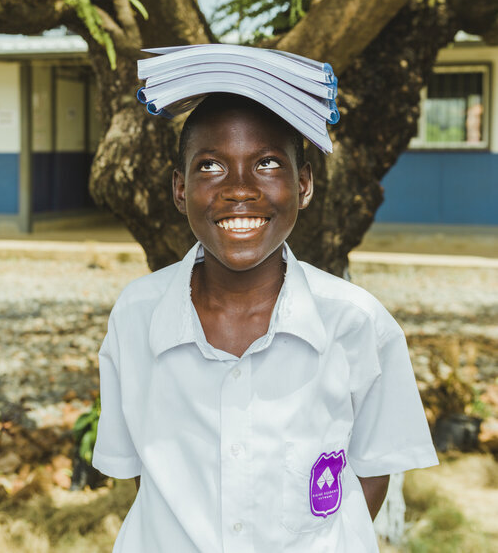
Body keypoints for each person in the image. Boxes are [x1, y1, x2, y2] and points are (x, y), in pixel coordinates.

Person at [93, 92, 438, 553]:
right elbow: (144, 473)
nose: (239, 188)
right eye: (211, 166)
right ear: (180, 189)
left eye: (269, 164)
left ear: (304, 184)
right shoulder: (137, 316)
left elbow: (373, 468)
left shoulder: (356, 322)